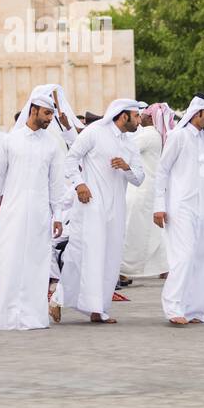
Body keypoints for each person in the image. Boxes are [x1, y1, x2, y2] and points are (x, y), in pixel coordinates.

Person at [57, 97, 145, 324]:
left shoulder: (130, 143)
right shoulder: (94, 132)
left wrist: (127, 168)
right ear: (123, 115)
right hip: (91, 205)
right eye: (135, 116)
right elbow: (70, 159)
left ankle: (98, 308)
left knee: (110, 257)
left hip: (116, 208)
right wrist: (80, 184)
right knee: (83, 254)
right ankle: (58, 300)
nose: (139, 120)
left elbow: (139, 178)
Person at [0, 90, 67, 330]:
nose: (50, 118)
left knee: (36, 262)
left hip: (40, 213)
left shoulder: (52, 145)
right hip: (12, 210)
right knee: (7, 261)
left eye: (51, 113)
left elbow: (56, 185)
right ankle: (5, 316)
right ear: (33, 111)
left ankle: (32, 316)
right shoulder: (10, 140)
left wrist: (58, 216)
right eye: (47, 113)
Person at [154, 93, 204, 325]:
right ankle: (173, 308)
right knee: (184, 257)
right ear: (197, 112)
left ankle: (194, 310)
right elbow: (162, 171)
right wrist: (159, 205)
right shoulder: (178, 136)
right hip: (180, 206)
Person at [121, 103, 173, 279]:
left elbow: (125, 150)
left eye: (142, 115)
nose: (139, 117)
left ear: (150, 118)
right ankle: (164, 267)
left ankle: (125, 270)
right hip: (147, 189)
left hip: (140, 189)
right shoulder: (155, 135)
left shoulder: (149, 135)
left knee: (133, 230)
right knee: (152, 232)